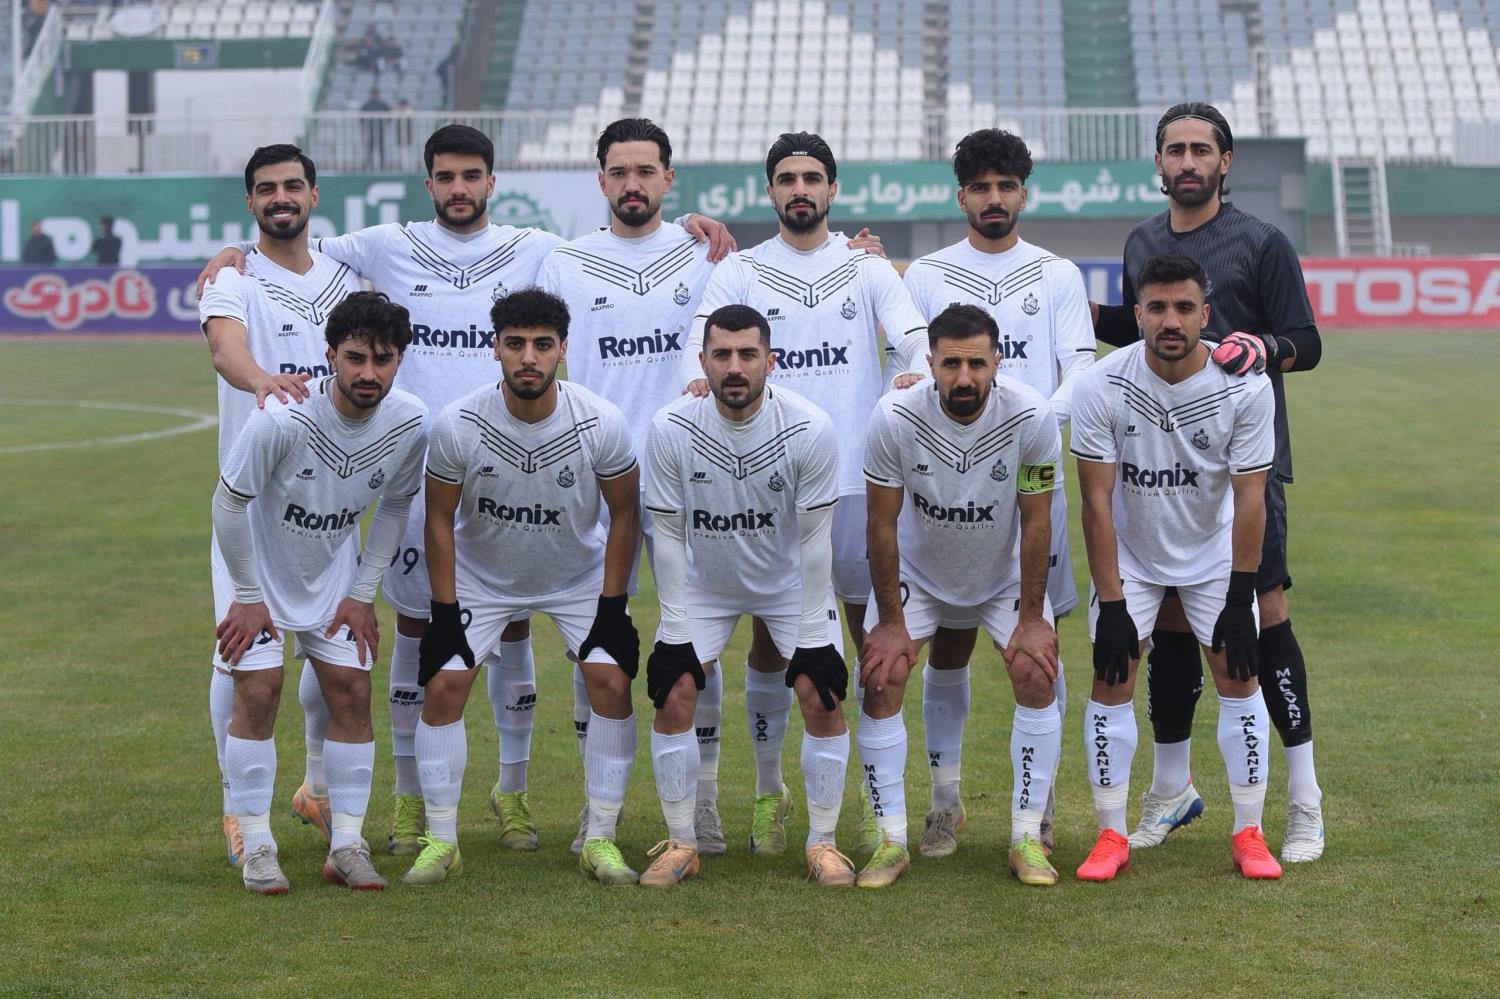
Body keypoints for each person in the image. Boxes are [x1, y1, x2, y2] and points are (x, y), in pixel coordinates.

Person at [197, 124, 733, 861]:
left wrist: (693, 223)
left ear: (491, 182)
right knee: (405, 634)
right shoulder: (381, 247)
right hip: (418, 468)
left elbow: (622, 239)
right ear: (428, 184)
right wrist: (235, 252)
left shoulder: (537, 249)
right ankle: (392, 800)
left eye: (471, 175)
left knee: (570, 632)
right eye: (445, 177)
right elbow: (291, 244)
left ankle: (523, 792)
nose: (458, 188)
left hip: (532, 464)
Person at [681, 131, 929, 859]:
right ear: (770, 191)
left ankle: (878, 808)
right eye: (787, 178)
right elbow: (699, 346)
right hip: (758, 485)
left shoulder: (866, 267)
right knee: (768, 633)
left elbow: (914, 341)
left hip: (854, 485)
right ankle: (769, 792)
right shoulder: (742, 270)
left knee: (869, 643)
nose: (799, 189)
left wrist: (912, 374)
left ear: (832, 189)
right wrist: (693, 383)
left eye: (812, 178)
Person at [1090, 101, 1325, 863]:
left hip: (1242, 464)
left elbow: (1308, 341)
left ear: (1225, 161)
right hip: (1162, 467)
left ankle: (1304, 798)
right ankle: (1171, 788)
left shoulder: (1261, 241)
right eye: (1175, 149)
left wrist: (1266, 347)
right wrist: (1066, 305)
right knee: (1166, 624)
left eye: (1201, 149)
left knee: (1262, 615)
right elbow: (1137, 330)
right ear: (1157, 161)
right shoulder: (1142, 241)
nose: (1187, 161)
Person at [900, 128, 1095, 858]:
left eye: (1006, 186)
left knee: (1038, 645)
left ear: (1023, 194)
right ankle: (944, 801)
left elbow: (1080, 367)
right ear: (961, 197)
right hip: (942, 486)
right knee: (947, 643)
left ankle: (1037, 810)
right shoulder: (926, 274)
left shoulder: (1056, 274)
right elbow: (907, 370)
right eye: (980, 187)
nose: (993, 198)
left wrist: (1021, 428)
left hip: (1030, 479)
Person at [407, 288, 643, 887]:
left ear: (563, 349)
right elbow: (438, 518)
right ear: (495, 349)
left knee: (611, 680)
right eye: (515, 344)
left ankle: (601, 837)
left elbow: (625, 513)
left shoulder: (600, 421)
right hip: (484, 578)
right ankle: (442, 841)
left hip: (575, 576)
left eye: (543, 344)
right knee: (444, 684)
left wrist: (612, 606)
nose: (529, 358)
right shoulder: (459, 424)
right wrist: (444, 611)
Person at [1069, 252, 1280, 881]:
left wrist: (1241, 596)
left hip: (1214, 555)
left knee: (1239, 677)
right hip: (1133, 557)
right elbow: (1096, 501)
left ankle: (1249, 832)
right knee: (1111, 678)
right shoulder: (1100, 385)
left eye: (1184, 307)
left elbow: (1250, 498)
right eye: (1157, 307)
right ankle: (1110, 834)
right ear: (1136, 314)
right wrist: (1111, 604)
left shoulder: (1246, 387)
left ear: (1205, 314)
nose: (1171, 320)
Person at [212, 290, 428, 894]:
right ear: (330, 355)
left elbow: (395, 506)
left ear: (399, 360)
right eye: (355, 357)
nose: (368, 373)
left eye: (382, 359)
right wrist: (247, 594)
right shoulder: (283, 417)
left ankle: (347, 846)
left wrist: (363, 592)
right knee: (260, 688)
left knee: (352, 690)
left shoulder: (410, 421)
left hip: (332, 567)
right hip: (253, 566)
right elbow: (228, 503)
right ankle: (258, 846)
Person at [643, 304, 853, 887]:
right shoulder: (670, 427)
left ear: (770, 361)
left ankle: (823, 843)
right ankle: (681, 842)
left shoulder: (809, 427)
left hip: (789, 585)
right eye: (722, 355)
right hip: (705, 585)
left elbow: (815, 540)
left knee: (821, 694)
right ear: (703, 361)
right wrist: (675, 631)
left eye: (747, 354)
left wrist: (812, 638)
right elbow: (667, 536)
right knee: (674, 690)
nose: (734, 367)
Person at [859, 303, 1063, 888]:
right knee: (880, 677)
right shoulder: (894, 417)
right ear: (930, 363)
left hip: (1001, 575)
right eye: (951, 364)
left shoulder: (1031, 415)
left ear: (998, 360)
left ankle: (1027, 837)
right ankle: (892, 840)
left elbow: (1037, 519)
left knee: (1036, 671)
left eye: (977, 363)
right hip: (920, 575)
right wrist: (891, 623)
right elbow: (880, 525)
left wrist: (1031, 618)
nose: (965, 377)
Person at [199, 143, 362, 869]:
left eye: (292, 185)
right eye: (266, 189)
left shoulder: (348, 273)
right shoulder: (232, 276)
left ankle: (316, 790)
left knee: (338, 663)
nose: (280, 197)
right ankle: (238, 812)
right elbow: (224, 349)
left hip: (332, 507)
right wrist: (262, 378)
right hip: (251, 510)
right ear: (250, 202)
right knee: (244, 660)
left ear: (314, 194)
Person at [360, 89, 391, 170]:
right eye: (373, 94)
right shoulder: (367, 105)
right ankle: (368, 167)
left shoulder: (383, 104)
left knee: (381, 149)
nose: (374, 95)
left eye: (376, 94)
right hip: (370, 130)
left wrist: (386, 125)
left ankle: (382, 167)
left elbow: (389, 116)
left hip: (380, 130)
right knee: (369, 149)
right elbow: (361, 117)